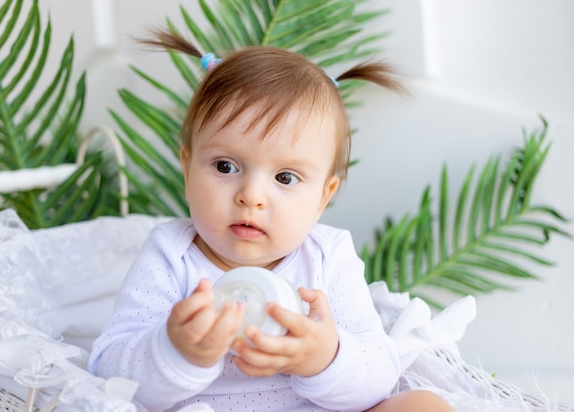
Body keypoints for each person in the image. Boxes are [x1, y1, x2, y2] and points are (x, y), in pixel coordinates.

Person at [88, 29, 453, 412]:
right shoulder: (170, 255)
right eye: (225, 166)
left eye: (285, 178)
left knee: (424, 404)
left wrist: (323, 357)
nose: (251, 196)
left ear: (323, 197)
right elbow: (108, 374)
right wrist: (175, 350)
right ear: (187, 169)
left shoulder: (328, 256)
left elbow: (381, 374)